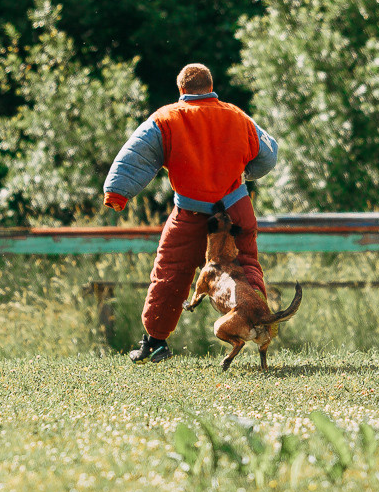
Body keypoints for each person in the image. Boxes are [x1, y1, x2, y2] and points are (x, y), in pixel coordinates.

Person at [103, 63, 278, 363]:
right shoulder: (238, 116)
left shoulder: (167, 119)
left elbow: (134, 155)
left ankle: (155, 343)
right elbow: (268, 155)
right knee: (245, 267)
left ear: (181, 90)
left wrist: (117, 195)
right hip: (235, 210)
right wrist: (244, 173)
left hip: (191, 215)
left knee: (170, 273)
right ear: (211, 87)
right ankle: (258, 324)